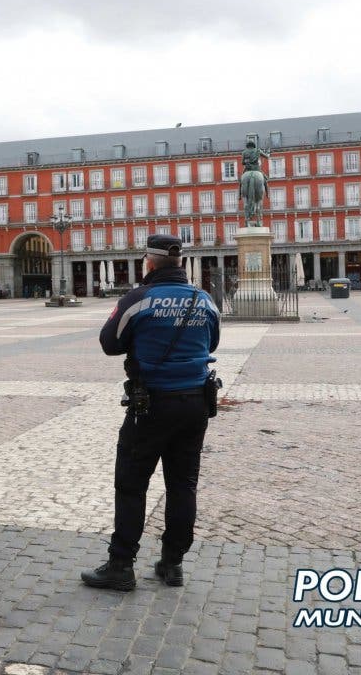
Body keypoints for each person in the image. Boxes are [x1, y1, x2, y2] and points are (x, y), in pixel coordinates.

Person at [83, 234, 221, 591]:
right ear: (179, 262)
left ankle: (120, 565)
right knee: (183, 484)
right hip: (195, 404)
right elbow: (213, 341)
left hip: (151, 405)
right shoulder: (203, 299)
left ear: (149, 261)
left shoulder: (138, 298)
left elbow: (109, 344)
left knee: (131, 484)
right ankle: (172, 564)